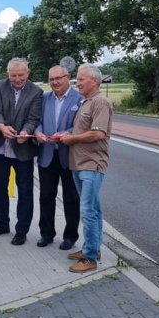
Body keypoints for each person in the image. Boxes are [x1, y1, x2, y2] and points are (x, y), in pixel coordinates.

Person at [60, 64, 113, 273]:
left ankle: (90, 258)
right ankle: (93, 248)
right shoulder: (86, 102)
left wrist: (71, 139)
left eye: (81, 79)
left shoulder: (100, 103)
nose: (77, 83)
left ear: (94, 81)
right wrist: (64, 135)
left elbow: (97, 134)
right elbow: (81, 130)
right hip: (79, 164)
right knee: (94, 210)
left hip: (92, 164)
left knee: (88, 211)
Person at [0, 57, 43, 246]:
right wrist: (2, 126)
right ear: (7, 74)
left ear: (28, 73)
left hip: (23, 148)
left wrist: (26, 132)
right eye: (13, 76)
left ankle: (22, 230)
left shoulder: (36, 92)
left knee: (25, 190)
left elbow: (34, 118)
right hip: (0, 148)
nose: (17, 79)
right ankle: (2, 223)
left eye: (21, 75)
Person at [33, 66, 83, 250]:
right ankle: (46, 234)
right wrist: (38, 133)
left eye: (58, 78)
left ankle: (70, 236)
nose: (54, 82)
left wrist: (65, 133)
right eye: (51, 79)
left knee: (71, 197)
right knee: (46, 196)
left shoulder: (79, 99)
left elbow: (80, 126)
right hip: (47, 154)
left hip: (68, 155)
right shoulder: (44, 98)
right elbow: (36, 122)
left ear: (67, 77)